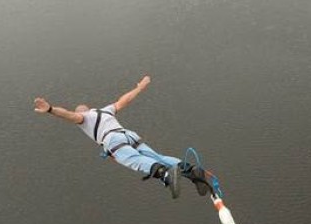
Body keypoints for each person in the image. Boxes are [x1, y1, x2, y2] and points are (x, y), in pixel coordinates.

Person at [33, 76, 213, 199]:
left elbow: (69, 115)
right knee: (157, 156)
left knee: (135, 160)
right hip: (129, 135)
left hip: (113, 140)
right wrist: (140, 88)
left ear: (82, 111)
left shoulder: (84, 118)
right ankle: (192, 171)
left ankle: (164, 174)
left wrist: (50, 110)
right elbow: (124, 100)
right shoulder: (105, 110)